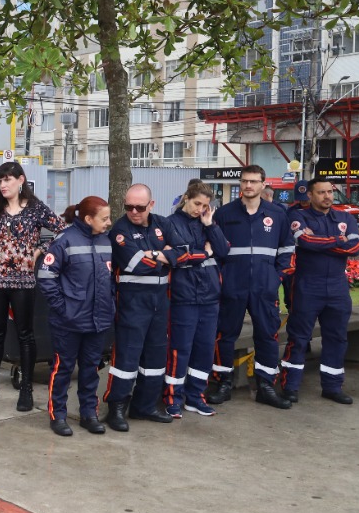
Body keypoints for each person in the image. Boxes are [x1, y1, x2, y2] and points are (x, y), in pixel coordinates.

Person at [0, 161, 64, 410]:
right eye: (0, 181)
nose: (3, 185)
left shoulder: (35, 208)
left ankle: (26, 388)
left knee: (25, 333)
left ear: (21, 180)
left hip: (23, 281)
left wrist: (40, 250)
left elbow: (62, 231)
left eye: (8, 179)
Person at [211, 165, 294, 410]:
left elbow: (287, 248)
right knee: (225, 335)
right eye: (245, 181)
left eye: (253, 181)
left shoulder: (277, 214)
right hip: (232, 286)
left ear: (262, 184)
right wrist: (222, 277)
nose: (248, 186)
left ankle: (266, 385)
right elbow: (214, 250)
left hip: (264, 286)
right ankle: (223, 383)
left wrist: (276, 277)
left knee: (267, 335)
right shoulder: (225, 214)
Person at [280, 177, 359, 405]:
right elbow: (305, 241)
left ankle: (333, 387)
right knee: (299, 337)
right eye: (321, 192)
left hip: (337, 286)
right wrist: (338, 241)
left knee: (336, 338)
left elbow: (354, 248)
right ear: (310, 196)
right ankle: (290, 386)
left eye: (330, 192)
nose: (327, 196)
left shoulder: (345, 217)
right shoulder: (298, 216)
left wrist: (322, 242)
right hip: (307, 284)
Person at [37, 197, 115, 436]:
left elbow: (108, 278)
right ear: (88, 219)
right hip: (68, 323)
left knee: (90, 369)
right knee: (63, 369)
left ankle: (88, 414)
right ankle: (57, 415)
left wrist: (109, 305)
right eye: (104, 218)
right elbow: (46, 277)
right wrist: (63, 309)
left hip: (97, 320)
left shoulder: (105, 241)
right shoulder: (64, 241)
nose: (109, 223)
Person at [102, 184, 175, 430]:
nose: (133, 211)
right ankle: (117, 408)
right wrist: (162, 256)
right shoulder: (120, 231)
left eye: (140, 207)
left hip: (159, 300)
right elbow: (136, 264)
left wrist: (158, 255)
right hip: (133, 300)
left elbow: (182, 251)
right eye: (128, 206)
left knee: (155, 355)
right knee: (127, 355)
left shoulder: (162, 224)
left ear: (151, 205)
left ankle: (145, 406)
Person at [161, 181, 229, 418]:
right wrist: (206, 252)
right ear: (186, 198)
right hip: (183, 297)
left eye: (205, 206)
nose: (200, 209)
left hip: (210, 297)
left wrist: (210, 225)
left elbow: (223, 250)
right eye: (197, 203)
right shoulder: (169, 224)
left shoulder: (207, 223)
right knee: (180, 350)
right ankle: (172, 398)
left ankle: (196, 397)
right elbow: (179, 256)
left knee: (204, 349)